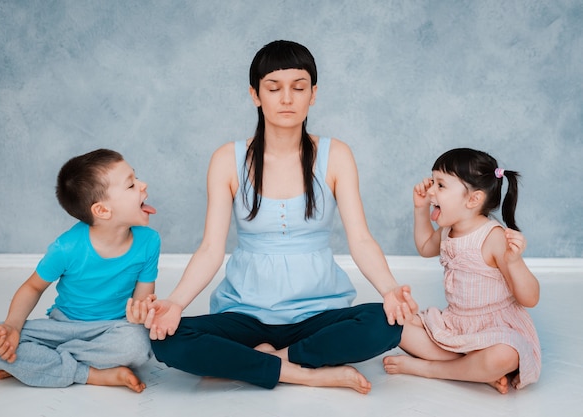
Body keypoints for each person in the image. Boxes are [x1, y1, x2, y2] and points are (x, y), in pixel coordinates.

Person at [129, 40, 417, 394]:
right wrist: (174, 304)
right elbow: (210, 248)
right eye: (273, 88)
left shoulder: (336, 154)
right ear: (255, 95)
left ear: (313, 94)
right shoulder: (226, 159)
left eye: (298, 88)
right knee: (167, 339)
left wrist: (390, 290)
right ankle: (304, 372)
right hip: (246, 314)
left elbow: (360, 239)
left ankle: (265, 361)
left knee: (382, 324)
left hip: (317, 314)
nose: (286, 99)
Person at [0, 149, 160, 393]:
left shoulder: (149, 242)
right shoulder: (66, 247)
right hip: (62, 326)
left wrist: (141, 314)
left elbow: (142, 300)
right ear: (102, 211)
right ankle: (91, 374)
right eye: (131, 185)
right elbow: (33, 287)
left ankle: (38, 364)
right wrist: (13, 327)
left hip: (113, 328)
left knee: (139, 345)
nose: (143, 185)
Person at [383, 148, 541, 394]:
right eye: (432, 181)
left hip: (493, 330)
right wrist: (420, 209)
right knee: (396, 326)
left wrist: (514, 262)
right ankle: (475, 371)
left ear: (473, 199)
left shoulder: (493, 237)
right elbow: (425, 247)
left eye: (441, 185)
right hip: (456, 325)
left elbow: (530, 299)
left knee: (504, 356)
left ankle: (430, 369)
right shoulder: (449, 229)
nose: (431, 190)